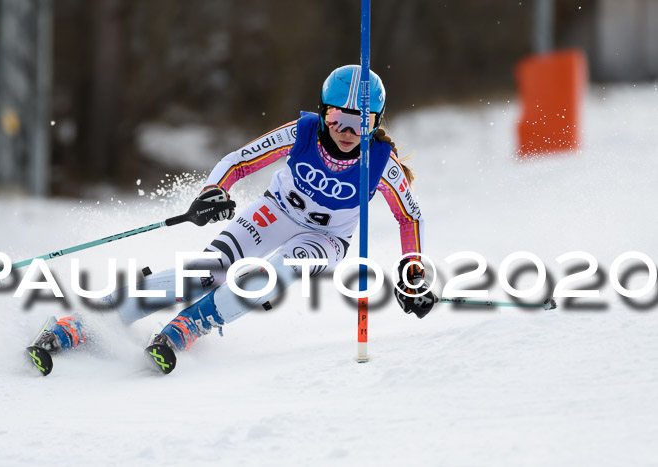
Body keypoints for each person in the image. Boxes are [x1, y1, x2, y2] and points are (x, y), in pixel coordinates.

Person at [32, 65, 437, 360]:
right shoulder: (303, 133)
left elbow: (409, 217)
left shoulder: (381, 164)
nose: (347, 132)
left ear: (376, 123)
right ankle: (92, 319)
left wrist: (412, 272)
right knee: (208, 271)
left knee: (274, 273)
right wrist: (215, 190)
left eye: (360, 123)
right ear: (323, 111)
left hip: (325, 239)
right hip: (275, 211)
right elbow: (240, 160)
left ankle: (193, 323)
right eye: (338, 118)